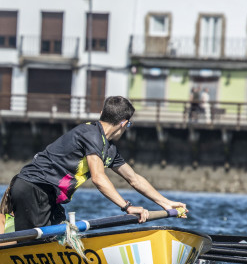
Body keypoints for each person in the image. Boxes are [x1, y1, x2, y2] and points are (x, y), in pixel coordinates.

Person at [11, 95, 187, 231]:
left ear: (102, 114)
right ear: (124, 124)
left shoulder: (109, 149)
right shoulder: (91, 134)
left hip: (50, 198)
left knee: (61, 237)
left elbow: (134, 179)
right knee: (35, 245)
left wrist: (165, 202)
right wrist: (127, 207)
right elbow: (98, 178)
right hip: (33, 188)